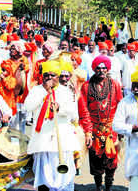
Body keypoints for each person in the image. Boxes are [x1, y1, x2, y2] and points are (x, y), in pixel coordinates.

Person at [25, 60, 80, 191]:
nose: (49, 78)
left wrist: (60, 108)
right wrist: (44, 92)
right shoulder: (36, 90)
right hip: (43, 141)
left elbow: (73, 113)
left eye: (52, 75)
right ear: (42, 77)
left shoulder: (65, 91)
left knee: (64, 179)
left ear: (58, 77)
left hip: (62, 141)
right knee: (44, 176)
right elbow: (28, 106)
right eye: (46, 75)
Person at [78, 55, 123, 191]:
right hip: (94, 128)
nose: (101, 70)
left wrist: (121, 128)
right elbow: (83, 109)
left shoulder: (115, 84)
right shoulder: (86, 86)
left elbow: (121, 106)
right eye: (98, 68)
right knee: (95, 159)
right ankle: (98, 186)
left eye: (104, 68)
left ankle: (109, 186)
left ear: (107, 69)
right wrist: (87, 131)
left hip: (111, 129)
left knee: (111, 160)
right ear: (94, 69)